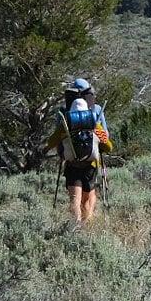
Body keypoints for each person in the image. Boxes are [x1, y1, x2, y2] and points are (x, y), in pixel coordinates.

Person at [45, 78, 111, 224]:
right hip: (91, 164)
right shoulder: (97, 110)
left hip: (72, 163)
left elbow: (54, 140)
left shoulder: (64, 112)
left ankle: (76, 227)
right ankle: (88, 225)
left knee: (75, 199)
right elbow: (106, 141)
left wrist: (58, 150)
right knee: (87, 199)